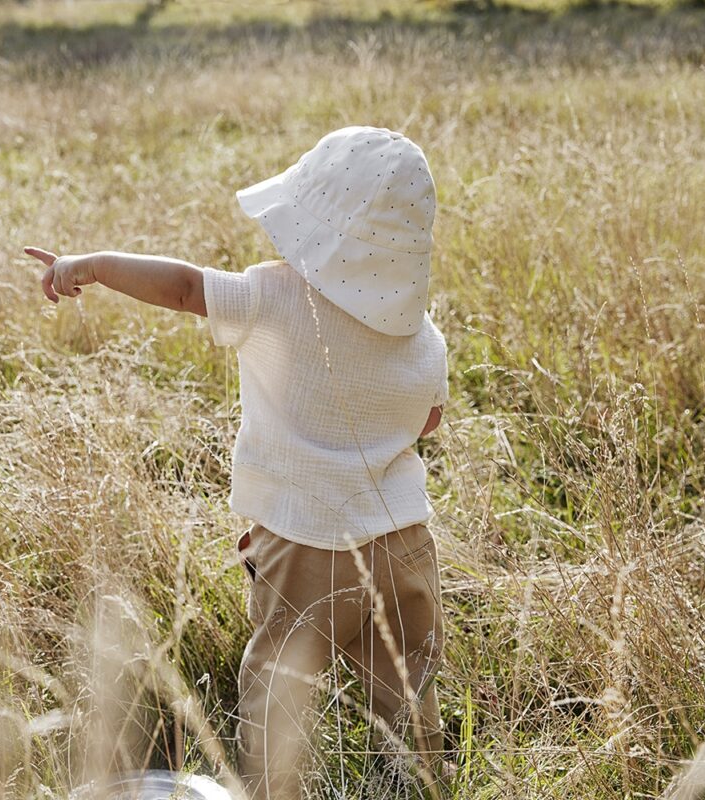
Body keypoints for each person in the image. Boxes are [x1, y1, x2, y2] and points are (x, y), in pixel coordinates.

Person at [24, 125, 449, 799]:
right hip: (405, 543)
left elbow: (188, 289)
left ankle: (274, 787)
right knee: (408, 680)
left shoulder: (274, 297)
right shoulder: (425, 340)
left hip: (305, 544)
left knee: (281, 682)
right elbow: (427, 421)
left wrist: (95, 265)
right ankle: (419, 775)